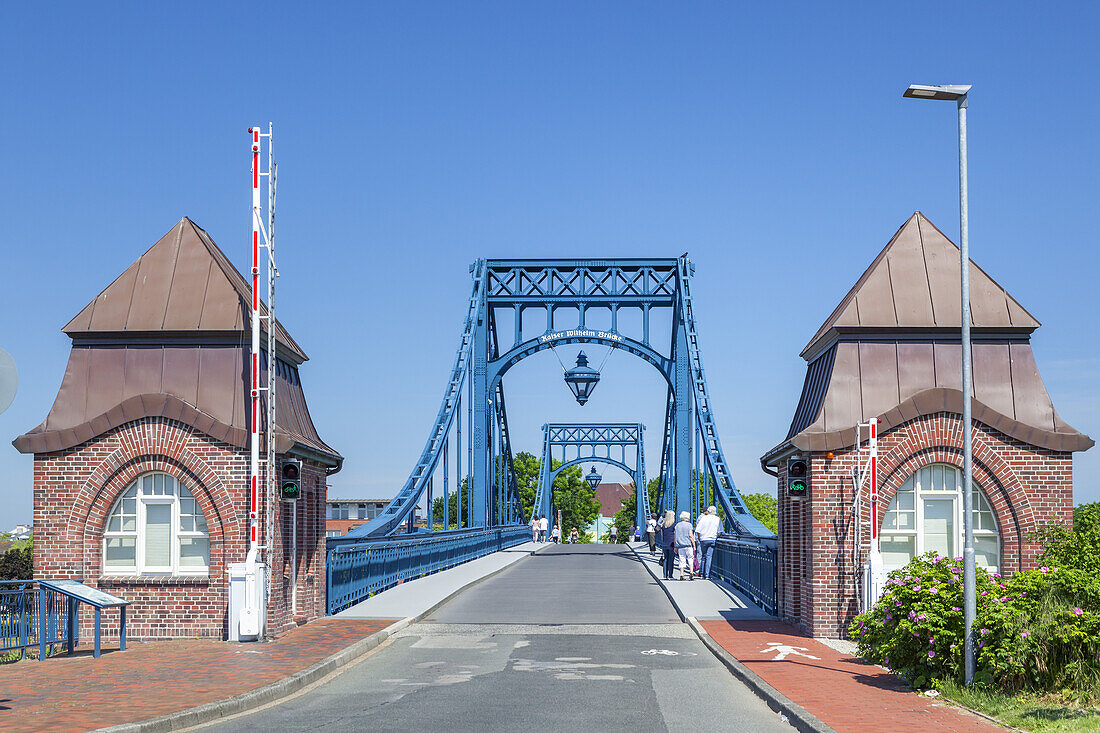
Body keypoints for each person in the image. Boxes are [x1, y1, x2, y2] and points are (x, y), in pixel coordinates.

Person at [694, 505, 721, 579]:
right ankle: (707, 575)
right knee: (709, 557)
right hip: (712, 539)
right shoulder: (717, 519)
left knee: (703, 557)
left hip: (703, 539)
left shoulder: (703, 518)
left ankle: (702, 573)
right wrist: (716, 537)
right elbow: (720, 532)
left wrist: (699, 539)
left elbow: (698, 531)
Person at [674, 511, 696, 581]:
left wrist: (675, 546)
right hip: (688, 545)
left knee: (682, 559)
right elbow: (690, 535)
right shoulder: (689, 525)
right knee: (690, 558)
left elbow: (675, 536)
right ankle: (691, 573)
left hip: (680, 546)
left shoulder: (677, 525)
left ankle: (681, 574)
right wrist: (694, 545)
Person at [658, 510, 677, 580]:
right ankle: (670, 575)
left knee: (665, 559)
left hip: (664, 544)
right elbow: (675, 535)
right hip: (671, 544)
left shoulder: (663, 525)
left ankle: (665, 575)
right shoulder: (674, 525)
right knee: (671, 560)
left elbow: (662, 535)